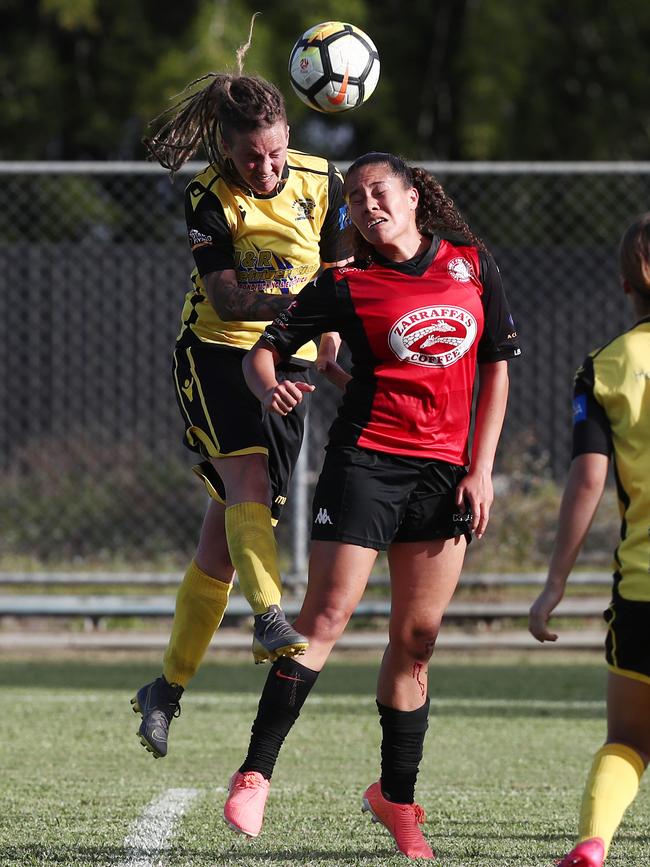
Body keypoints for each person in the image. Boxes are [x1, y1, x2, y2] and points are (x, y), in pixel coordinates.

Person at [222, 152, 521, 859]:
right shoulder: (343, 282)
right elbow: (260, 353)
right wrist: (273, 388)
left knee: (417, 642)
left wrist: (481, 470)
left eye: (378, 191)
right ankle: (255, 770)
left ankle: (396, 798)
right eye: (353, 197)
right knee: (324, 617)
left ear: (414, 196)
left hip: (445, 475)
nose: (366, 204)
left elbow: (496, 365)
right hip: (366, 463)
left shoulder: (471, 263)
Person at [130, 20, 352, 760]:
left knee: (222, 543)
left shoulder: (325, 181)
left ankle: (165, 689)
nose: (264, 167)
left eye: (275, 151)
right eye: (249, 157)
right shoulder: (207, 197)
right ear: (225, 150)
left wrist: (327, 344)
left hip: (283, 364)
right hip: (217, 357)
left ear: (290, 133)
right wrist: (303, 298)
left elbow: (341, 273)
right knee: (248, 474)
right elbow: (226, 297)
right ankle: (270, 616)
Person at [529, 214, 650, 867]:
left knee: (629, 739)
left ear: (626, 285)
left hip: (643, 593)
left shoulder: (606, 367)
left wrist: (554, 585)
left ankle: (593, 842)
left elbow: (586, 482)